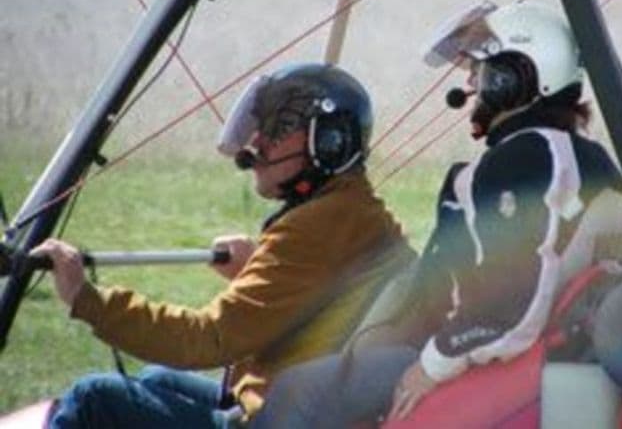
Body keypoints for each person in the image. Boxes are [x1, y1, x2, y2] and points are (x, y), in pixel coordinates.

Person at [249, 1, 622, 428]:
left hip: (478, 357)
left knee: (295, 392)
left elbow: (509, 305)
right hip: (533, 353)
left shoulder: (526, 156)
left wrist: (431, 367)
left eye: (480, 69)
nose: (471, 82)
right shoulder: (583, 157)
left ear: (513, 78)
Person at [31, 62, 415, 428]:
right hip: (300, 408)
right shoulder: (357, 213)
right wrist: (256, 271)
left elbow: (208, 339)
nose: (256, 142)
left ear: (329, 142)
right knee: (157, 378)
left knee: (93, 398)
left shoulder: (320, 225)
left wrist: (87, 299)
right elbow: (319, 306)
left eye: (277, 128)